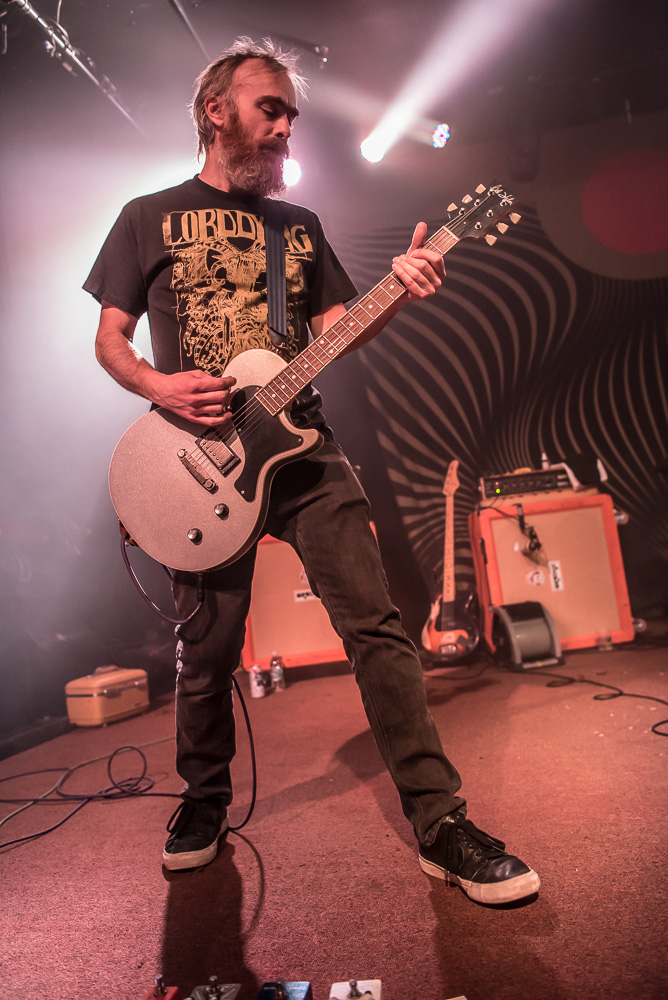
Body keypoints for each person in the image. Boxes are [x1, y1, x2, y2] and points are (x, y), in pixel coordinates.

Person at [84, 37, 540, 906]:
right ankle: (203, 803)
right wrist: (156, 383)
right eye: (272, 108)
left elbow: (341, 328)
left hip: (304, 450)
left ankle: (441, 823)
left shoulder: (301, 227)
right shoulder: (147, 215)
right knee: (207, 651)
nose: (288, 126)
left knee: (377, 627)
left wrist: (399, 286)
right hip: (200, 462)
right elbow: (108, 340)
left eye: (293, 114)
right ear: (217, 111)